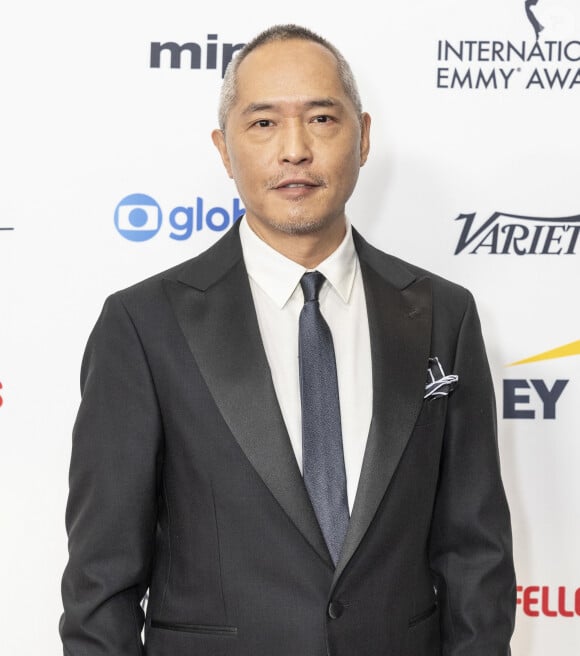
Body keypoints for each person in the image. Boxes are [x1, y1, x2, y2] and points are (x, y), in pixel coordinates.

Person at [60, 23, 516, 656]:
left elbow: (476, 556)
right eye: (264, 123)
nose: (295, 149)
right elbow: (99, 590)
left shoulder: (444, 313)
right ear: (224, 149)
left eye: (322, 119)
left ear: (363, 138)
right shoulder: (142, 326)